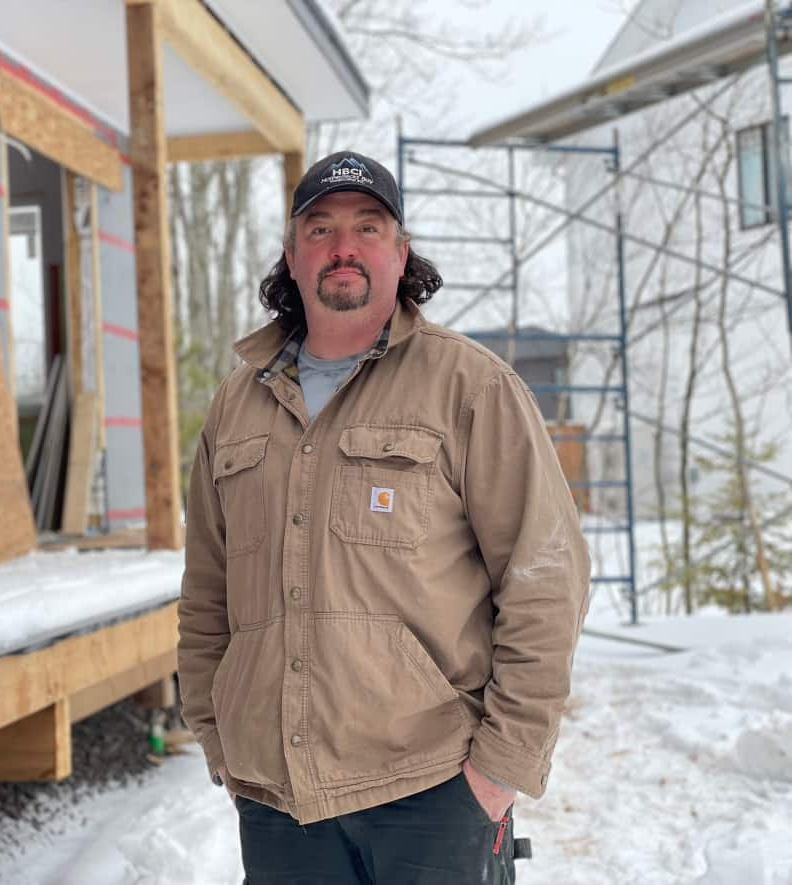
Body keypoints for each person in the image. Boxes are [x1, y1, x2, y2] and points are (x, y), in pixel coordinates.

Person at [177, 150, 591, 884]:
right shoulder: (236, 406)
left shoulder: (470, 388)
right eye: (321, 228)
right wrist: (217, 732)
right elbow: (207, 591)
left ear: (401, 255)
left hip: (433, 793)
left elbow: (545, 580)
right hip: (280, 804)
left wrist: (498, 771)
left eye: (368, 227)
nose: (343, 246)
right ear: (292, 256)